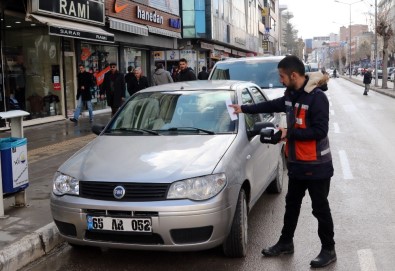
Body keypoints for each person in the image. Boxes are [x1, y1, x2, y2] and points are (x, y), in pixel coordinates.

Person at [229, 55, 336, 269]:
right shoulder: (291, 94)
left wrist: (289, 133)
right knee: (291, 206)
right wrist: (244, 109)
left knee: (320, 209)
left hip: (317, 166)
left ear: (293, 75)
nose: (280, 80)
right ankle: (286, 242)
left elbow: (320, 131)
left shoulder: (317, 98)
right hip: (296, 163)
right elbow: (272, 104)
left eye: (281, 76)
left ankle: (328, 249)